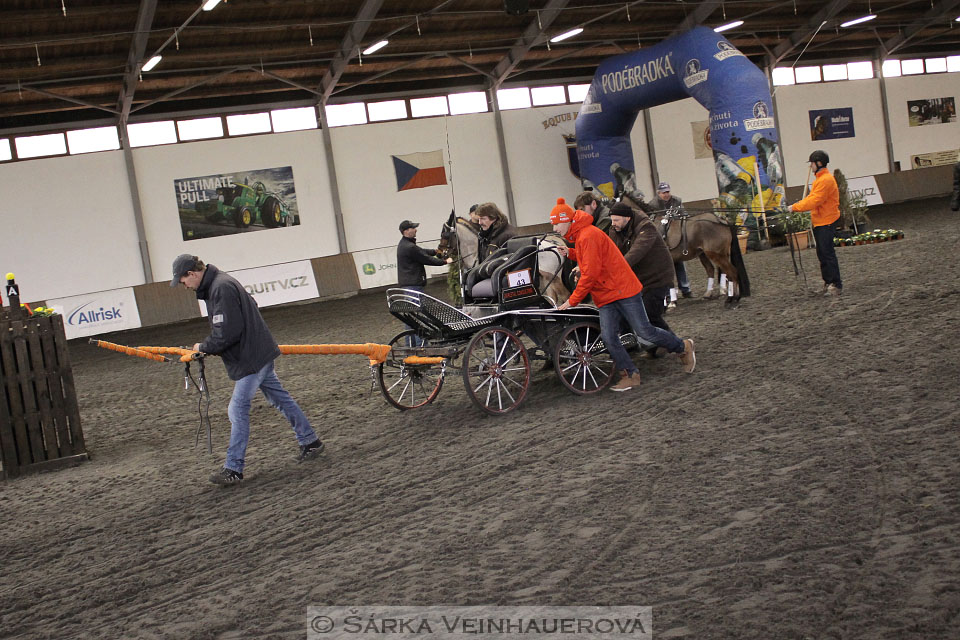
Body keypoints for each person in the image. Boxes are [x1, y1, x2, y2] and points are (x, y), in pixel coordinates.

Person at [171, 254, 323, 486]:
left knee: (237, 409)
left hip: (251, 357)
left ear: (192, 274)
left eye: (183, 281)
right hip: (258, 351)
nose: (184, 286)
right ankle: (310, 441)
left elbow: (227, 332)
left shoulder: (220, 288)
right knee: (281, 398)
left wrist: (203, 347)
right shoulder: (221, 283)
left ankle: (234, 468)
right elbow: (250, 305)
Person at [550, 199, 696, 392]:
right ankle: (630, 373)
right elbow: (590, 257)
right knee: (610, 337)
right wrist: (570, 253)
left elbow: (590, 274)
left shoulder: (587, 236)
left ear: (567, 220)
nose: (554, 227)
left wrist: (572, 301)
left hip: (622, 290)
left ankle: (682, 346)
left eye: (556, 223)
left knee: (644, 331)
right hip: (607, 294)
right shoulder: (583, 236)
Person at [607, 201, 676, 357]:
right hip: (638, 279)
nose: (613, 224)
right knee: (629, 312)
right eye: (612, 220)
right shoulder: (615, 230)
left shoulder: (646, 228)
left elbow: (637, 252)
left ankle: (674, 343)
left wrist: (617, 267)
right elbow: (611, 250)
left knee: (650, 313)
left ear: (628, 218)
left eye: (616, 220)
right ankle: (639, 346)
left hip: (658, 276)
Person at [785, 150, 843, 296]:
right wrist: (797, 205)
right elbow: (810, 199)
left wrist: (794, 208)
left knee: (827, 253)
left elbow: (815, 201)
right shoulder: (819, 180)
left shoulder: (825, 180)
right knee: (822, 253)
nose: (811, 167)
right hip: (820, 221)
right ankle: (828, 281)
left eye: (812, 163)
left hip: (826, 221)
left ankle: (835, 284)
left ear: (818, 163)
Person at [397, 220, 453, 345]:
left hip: (409, 285)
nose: (416, 230)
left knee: (411, 318)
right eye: (413, 228)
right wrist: (445, 261)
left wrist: (435, 251)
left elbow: (421, 251)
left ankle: (411, 345)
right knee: (417, 316)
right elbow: (426, 259)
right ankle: (419, 346)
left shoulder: (405, 244)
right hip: (414, 286)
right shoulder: (409, 247)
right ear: (406, 231)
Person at [639, 182, 692, 303]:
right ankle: (670, 292)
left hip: (676, 235)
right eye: (664, 193)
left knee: (681, 263)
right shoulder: (653, 204)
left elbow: (684, 215)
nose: (666, 194)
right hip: (663, 238)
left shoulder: (677, 200)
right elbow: (654, 221)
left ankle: (686, 288)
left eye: (668, 192)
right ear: (659, 193)